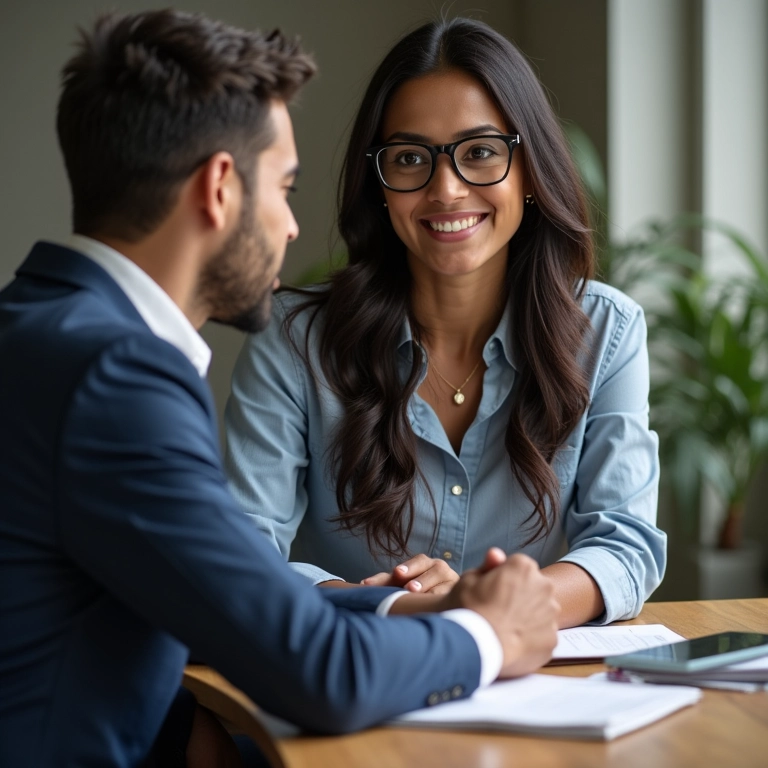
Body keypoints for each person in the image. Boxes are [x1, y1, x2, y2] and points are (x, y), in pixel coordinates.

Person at [0, 10, 562, 768]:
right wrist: (491, 634)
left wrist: (404, 603)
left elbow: (190, 597)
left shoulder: (38, 333)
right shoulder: (116, 377)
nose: (294, 227)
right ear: (220, 188)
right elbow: (320, 675)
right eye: (285, 186)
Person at [225, 17, 667, 630]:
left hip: (521, 686)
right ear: (380, 185)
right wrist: (404, 604)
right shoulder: (295, 340)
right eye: (410, 159)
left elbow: (626, 547)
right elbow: (239, 554)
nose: (447, 189)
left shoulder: (607, 330)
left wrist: (499, 605)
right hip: (350, 676)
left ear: (530, 169)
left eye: (480, 152)